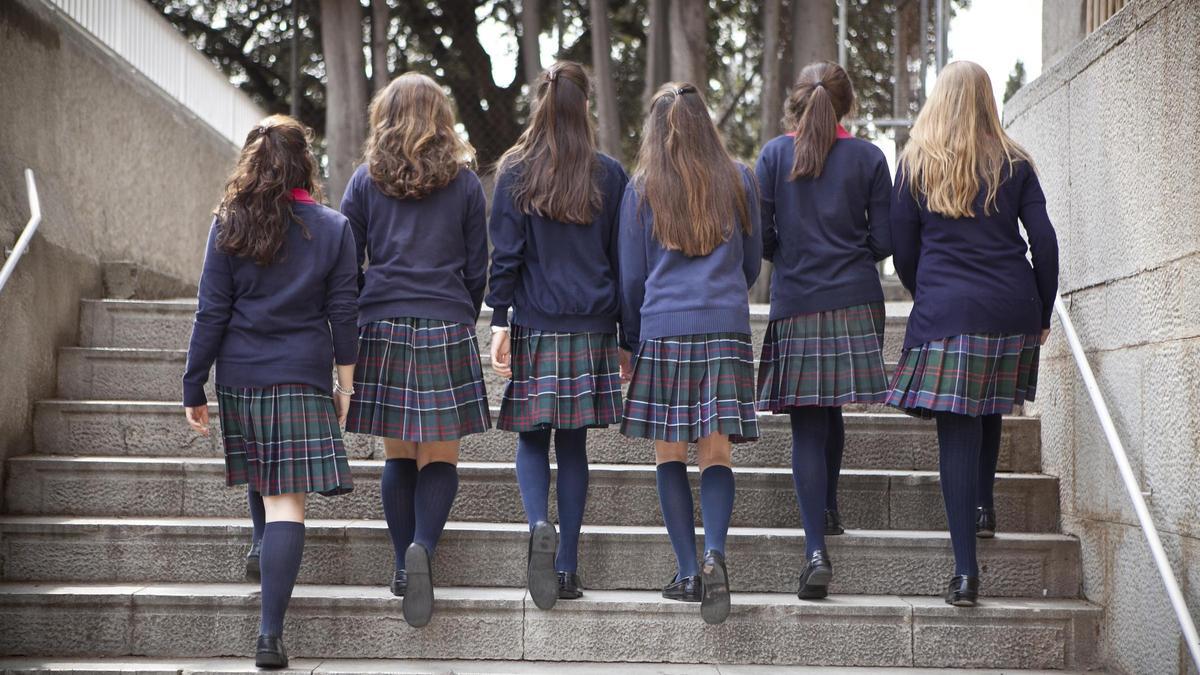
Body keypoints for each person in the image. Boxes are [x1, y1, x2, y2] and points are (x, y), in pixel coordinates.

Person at [182, 115, 358, 669]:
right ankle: (269, 635)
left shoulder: (228, 222)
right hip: (302, 373)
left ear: (252, 164)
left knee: (265, 469)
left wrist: (194, 382)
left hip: (240, 373)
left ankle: (262, 548)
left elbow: (212, 310)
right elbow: (344, 314)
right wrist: (346, 384)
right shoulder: (333, 227)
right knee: (287, 500)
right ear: (306, 163)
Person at [885, 61, 1059, 607]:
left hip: (948, 308)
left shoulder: (916, 163)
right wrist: (1041, 310)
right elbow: (1045, 242)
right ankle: (983, 507)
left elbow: (903, 250)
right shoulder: (1016, 161)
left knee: (958, 426)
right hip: (1010, 305)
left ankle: (965, 573)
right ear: (988, 99)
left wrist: (928, 291)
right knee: (986, 402)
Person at [340, 73, 491, 628]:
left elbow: (344, 260)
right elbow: (478, 267)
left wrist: (357, 315)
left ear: (386, 115)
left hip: (381, 323)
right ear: (441, 118)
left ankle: (404, 566)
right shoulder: (466, 184)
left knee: (398, 454)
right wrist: (461, 310)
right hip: (446, 322)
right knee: (441, 456)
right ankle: (423, 547)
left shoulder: (364, 180)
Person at [486, 61, 629, 610]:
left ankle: (537, 524)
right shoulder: (610, 174)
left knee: (530, 437)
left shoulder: (516, 170)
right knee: (573, 444)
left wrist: (500, 319)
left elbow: (507, 256)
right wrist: (623, 335)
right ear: (585, 107)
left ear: (539, 106)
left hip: (537, 322)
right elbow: (621, 260)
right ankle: (566, 565)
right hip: (592, 325)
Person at [619, 82, 762, 626]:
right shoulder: (739, 178)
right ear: (707, 122)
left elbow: (632, 278)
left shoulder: (642, 189)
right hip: (724, 325)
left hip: (665, 328)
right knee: (717, 454)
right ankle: (715, 555)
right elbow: (752, 263)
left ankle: (686, 572)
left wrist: (631, 340)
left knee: (669, 455)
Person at [754, 61, 893, 600]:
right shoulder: (869, 157)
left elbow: (764, 239)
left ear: (796, 101)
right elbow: (883, 240)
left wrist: (796, 256)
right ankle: (827, 507)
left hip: (798, 299)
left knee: (810, 421)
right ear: (847, 104)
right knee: (828, 405)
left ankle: (816, 546)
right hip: (855, 299)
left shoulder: (772, 156)